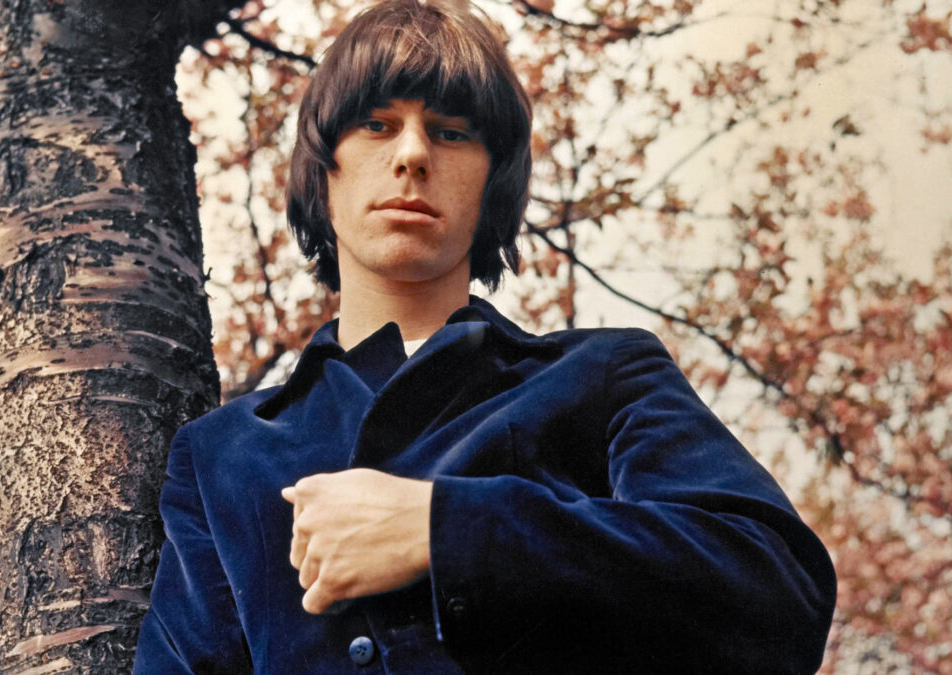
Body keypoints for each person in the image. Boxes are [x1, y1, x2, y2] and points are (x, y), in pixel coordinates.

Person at [133, 0, 837, 672]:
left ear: (492, 181)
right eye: (377, 124)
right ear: (323, 174)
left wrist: (447, 530)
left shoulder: (604, 374)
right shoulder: (223, 454)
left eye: (450, 131)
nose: (412, 154)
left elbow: (777, 591)